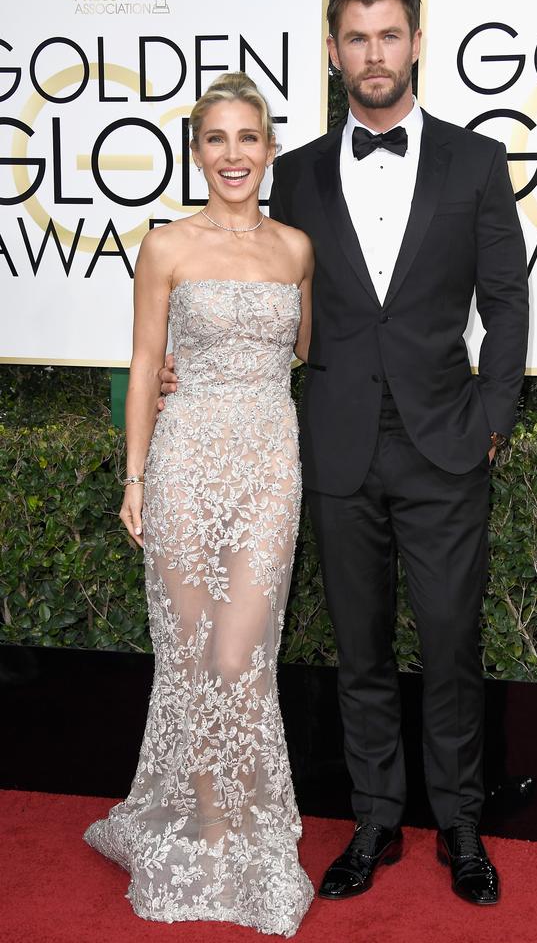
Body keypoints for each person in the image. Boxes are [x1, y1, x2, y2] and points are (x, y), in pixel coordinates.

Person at [161, 0, 528, 908]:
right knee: (359, 647)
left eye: (389, 36)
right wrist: (183, 361)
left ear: (415, 43)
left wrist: (493, 420)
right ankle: (374, 818)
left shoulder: (475, 163)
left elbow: (508, 304)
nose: (374, 54)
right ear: (334, 54)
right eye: (356, 39)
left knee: (451, 641)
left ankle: (458, 823)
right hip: (334, 446)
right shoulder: (298, 175)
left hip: (448, 441)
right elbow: (266, 294)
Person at [84, 72, 314, 937]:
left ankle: (247, 828)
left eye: (247, 138)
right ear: (196, 150)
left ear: (269, 148)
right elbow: (146, 363)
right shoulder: (166, 247)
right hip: (183, 467)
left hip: (267, 470)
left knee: (237, 657)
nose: (232, 155)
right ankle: (214, 834)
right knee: (190, 660)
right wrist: (136, 475)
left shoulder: (295, 250)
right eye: (215, 139)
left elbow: (301, 350)